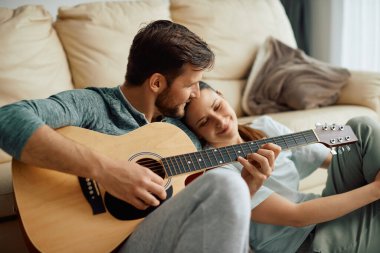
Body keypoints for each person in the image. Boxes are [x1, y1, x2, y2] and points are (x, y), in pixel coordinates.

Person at [0, 20, 278, 253]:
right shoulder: (93, 105)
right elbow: (7, 119)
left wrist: (247, 188)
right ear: (157, 83)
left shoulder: (181, 126)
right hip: (106, 243)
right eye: (190, 85)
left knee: (229, 183)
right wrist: (106, 170)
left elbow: (203, 208)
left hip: (162, 235)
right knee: (225, 183)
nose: (196, 94)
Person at [183, 81, 380, 253]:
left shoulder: (264, 126)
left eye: (217, 107)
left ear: (221, 95)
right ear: (198, 134)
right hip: (308, 243)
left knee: (361, 126)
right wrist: (375, 190)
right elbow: (297, 216)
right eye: (204, 122)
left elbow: (330, 159)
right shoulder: (219, 174)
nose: (218, 120)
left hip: (325, 219)